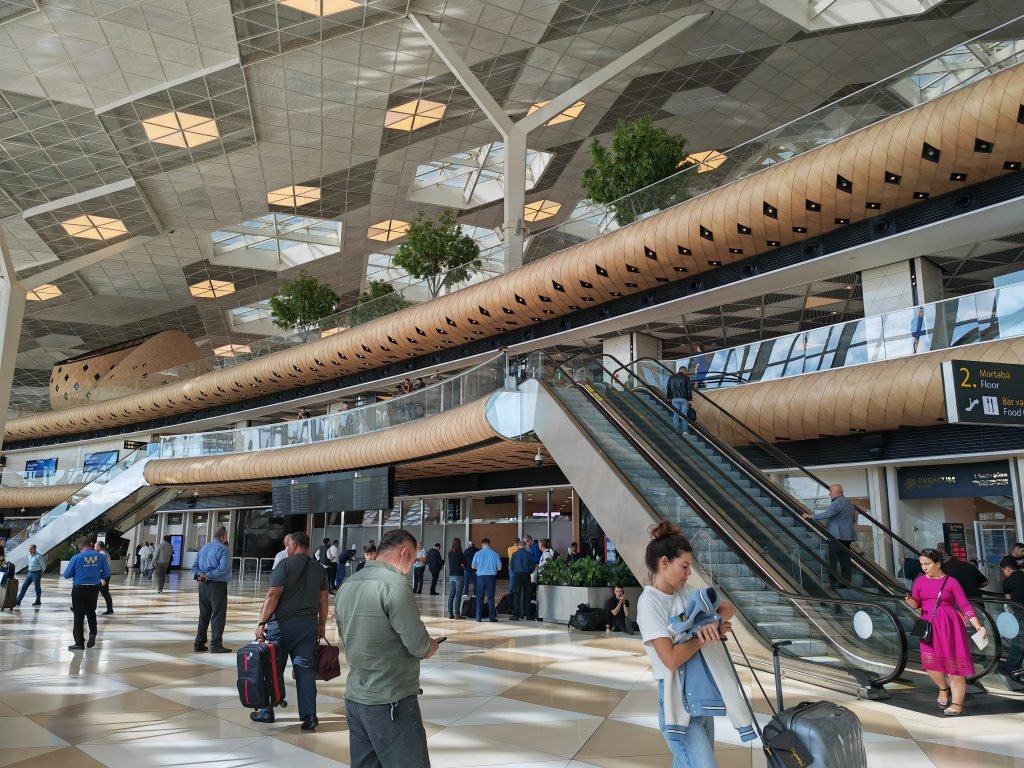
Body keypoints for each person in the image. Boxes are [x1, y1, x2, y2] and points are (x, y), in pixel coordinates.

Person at [637, 521, 740, 766]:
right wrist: (700, 635)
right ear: (664, 563)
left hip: (700, 694)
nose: (688, 573)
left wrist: (711, 623)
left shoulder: (685, 593)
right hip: (676, 700)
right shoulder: (649, 603)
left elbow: (727, 607)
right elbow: (670, 659)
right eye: (684, 566)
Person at [335, 529, 439, 767]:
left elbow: (345, 636)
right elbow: (418, 645)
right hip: (391, 699)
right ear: (404, 552)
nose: (411, 566)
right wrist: (430, 646)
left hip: (355, 698)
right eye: (412, 559)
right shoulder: (395, 585)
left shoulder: (348, 584)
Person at [251, 532, 328, 730]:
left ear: (293, 545)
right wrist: (321, 626)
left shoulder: (284, 565)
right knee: (305, 672)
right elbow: (323, 601)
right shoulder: (319, 569)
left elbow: (272, 596)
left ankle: (267, 711)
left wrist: (261, 623)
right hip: (307, 629)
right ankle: (310, 716)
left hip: (281, 629)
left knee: (272, 669)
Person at [903, 548, 986, 716]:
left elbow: (965, 605)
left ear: (938, 564)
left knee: (954, 667)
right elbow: (916, 605)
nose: (924, 567)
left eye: (927, 564)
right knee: (930, 664)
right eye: (922, 564)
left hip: (950, 626)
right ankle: (943, 688)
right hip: (929, 627)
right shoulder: (919, 581)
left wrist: (977, 626)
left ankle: (957, 704)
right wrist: (911, 601)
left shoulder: (951, 582)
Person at [802, 484, 856, 588]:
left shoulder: (837, 502)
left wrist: (811, 516)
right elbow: (853, 520)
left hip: (836, 536)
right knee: (845, 560)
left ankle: (833, 583)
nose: (829, 493)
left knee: (832, 561)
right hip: (847, 537)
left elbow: (828, 514)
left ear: (837, 492)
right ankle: (847, 583)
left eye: (830, 491)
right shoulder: (850, 503)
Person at [64, 539, 111, 651]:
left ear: (80, 548)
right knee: (91, 611)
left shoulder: (76, 557)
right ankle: (92, 634)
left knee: (78, 615)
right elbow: (107, 572)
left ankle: (79, 643)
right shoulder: (100, 557)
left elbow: (66, 574)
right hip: (94, 588)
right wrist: (97, 575)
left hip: (79, 588)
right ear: (90, 546)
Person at [191, 526, 233, 653]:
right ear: (224, 535)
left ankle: (199, 643)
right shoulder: (223, 548)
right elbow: (223, 568)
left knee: (204, 614)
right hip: (217, 586)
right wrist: (208, 575)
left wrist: (201, 575)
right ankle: (216, 644)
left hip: (203, 585)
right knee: (218, 614)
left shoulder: (204, 547)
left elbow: (194, 566)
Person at [999, 556, 1024, 676]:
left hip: (1020, 612)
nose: (1004, 573)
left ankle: (1012, 666)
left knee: (1018, 640)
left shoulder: (1008, 582)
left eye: (1003, 570)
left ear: (1008, 569)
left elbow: (1009, 602)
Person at [472, 538, 501, 622]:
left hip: (480, 577)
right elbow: (499, 567)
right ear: (489, 544)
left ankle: (478, 617)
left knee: (479, 597)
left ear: (482, 544)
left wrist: (481, 568)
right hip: (491, 577)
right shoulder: (495, 554)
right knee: (491, 598)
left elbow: (473, 566)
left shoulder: (477, 554)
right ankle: (491, 618)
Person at [509, 540, 534, 621]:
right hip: (526, 575)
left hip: (517, 575)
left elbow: (511, 567)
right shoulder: (529, 554)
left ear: (518, 546)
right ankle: (529, 616)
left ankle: (516, 615)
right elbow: (533, 567)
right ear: (525, 545)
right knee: (528, 595)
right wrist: (529, 571)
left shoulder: (514, 554)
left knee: (517, 595)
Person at [665, 365, 693, 433]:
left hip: (674, 399)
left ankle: (676, 430)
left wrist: (668, 398)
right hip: (684, 399)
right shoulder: (686, 378)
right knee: (684, 415)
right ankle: (685, 431)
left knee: (676, 414)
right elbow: (688, 389)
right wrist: (690, 399)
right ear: (683, 370)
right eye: (686, 371)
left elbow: (668, 388)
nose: (686, 373)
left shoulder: (671, 378)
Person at [446, 538, 466, 619]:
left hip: (451, 576)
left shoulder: (450, 553)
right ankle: (457, 614)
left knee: (451, 595)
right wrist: (462, 565)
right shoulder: (460, 553)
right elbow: (465, 564)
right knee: (458, 595)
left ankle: (450, 614)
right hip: (459, 576)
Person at [96, 542, 114, 615]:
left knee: (95, 592)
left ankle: (86, 609)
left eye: (95, 546)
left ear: (99, 546)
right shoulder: (106, 553)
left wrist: (102, 579)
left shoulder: (102, 554)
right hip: (106, 575)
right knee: (105, 593)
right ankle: (110, 609)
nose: (94, 548)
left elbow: (101, 566)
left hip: (103, 576)